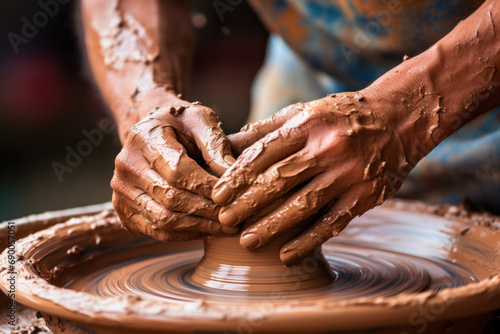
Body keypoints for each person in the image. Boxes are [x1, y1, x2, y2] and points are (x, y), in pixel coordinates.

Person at [81, 0, 500, 266]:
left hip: (481, 80)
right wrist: (147, 101)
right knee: (258, 206)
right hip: (317, 78)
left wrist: (409, 107)